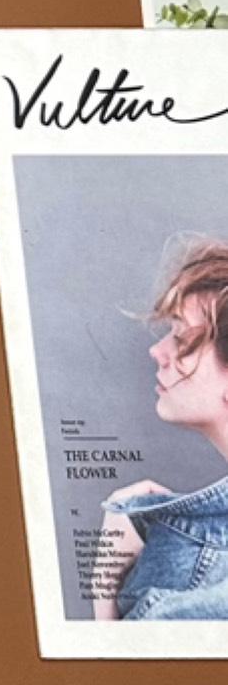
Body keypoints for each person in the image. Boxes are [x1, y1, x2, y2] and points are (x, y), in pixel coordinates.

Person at [91, 240, 228, 622]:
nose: (158, 351)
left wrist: (105, 589)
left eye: (181, 338)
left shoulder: (199, 592)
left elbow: (125, 670)